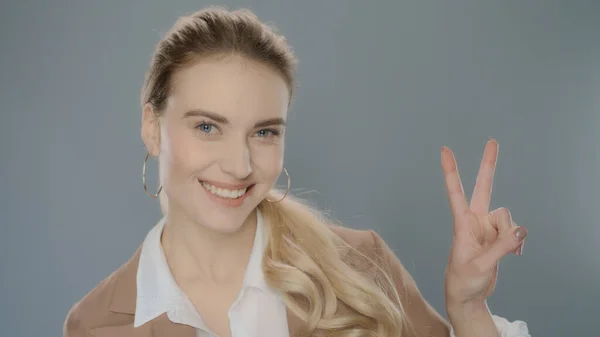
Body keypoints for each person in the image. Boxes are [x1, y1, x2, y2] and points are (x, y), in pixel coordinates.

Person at [63, 6, 531, 337]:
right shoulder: (94, 325)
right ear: (152, 127)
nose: (240, 165)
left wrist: (468, 309)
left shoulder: (359, 265)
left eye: (264, 132)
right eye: (208, 126)